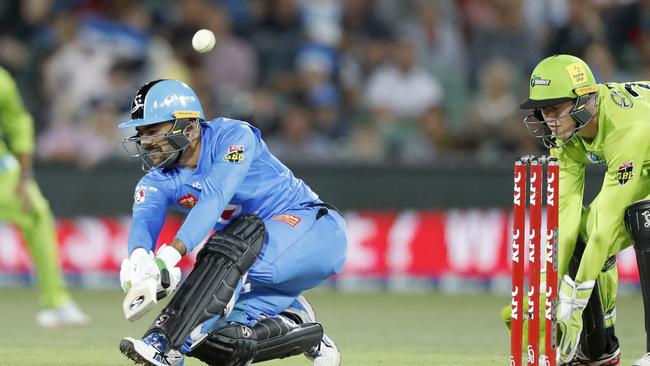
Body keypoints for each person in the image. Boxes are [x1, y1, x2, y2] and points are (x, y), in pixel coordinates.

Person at [117, 79, 347, 366]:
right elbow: (143, 222)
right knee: (224, 342)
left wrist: (167, 258)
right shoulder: (157, 180)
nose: (146, 141)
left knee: (226, 248)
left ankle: (164, 342)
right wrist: (139, 262)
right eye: (141, 132)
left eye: (153, 130)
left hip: (314, 230)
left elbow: (214, 197)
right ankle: (298, 323)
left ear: (188, 126)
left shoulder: (233, 137)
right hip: (251, 258)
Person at [515, 54, 650, 365]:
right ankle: (598, 350)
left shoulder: (626, 127)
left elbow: (608, 224)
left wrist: (573, 304)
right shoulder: (565, 133)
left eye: (554, 109)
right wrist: (543, 297)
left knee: (643, 217)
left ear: (584, 101)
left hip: (641, 151)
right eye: (542, 110)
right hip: (644, 166)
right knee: (581, 235)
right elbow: (565, 222)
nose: (548, 119)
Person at [0, 67, 88, 327]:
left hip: (3, 170)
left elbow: (18, 122)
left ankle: (56, 301)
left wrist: (24, 176)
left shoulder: (2, 81)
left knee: (37, 215)